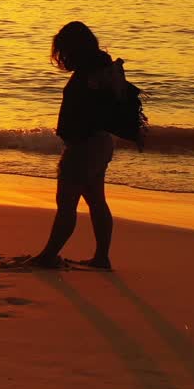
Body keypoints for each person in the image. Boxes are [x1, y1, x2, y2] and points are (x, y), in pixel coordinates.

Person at [29, 21, 125, 271]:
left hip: (85, 146)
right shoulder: (103, 68)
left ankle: (49, 256)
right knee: (96, 201)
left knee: (67, 203)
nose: (62, 57)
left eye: (64, 50)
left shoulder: (89, 75)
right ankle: (102, 258)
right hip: (101, 142)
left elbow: (86, 111)